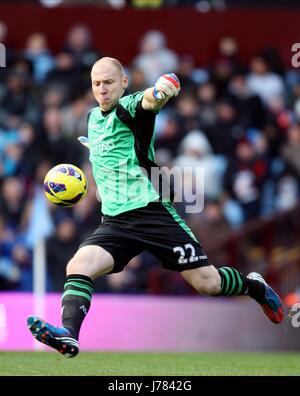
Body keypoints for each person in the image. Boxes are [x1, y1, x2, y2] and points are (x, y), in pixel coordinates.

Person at [27, 57, 284, 358]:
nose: (102, 89)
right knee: (78, 265)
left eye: (109, 82)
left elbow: (149, 101)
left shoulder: (130, 108)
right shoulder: (94, 118)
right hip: (115, 222)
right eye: (96, 84)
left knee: (209, 284)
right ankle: (69, 335)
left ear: (123, 82)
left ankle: (254, 287)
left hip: (152, 212)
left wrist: (163, 89)